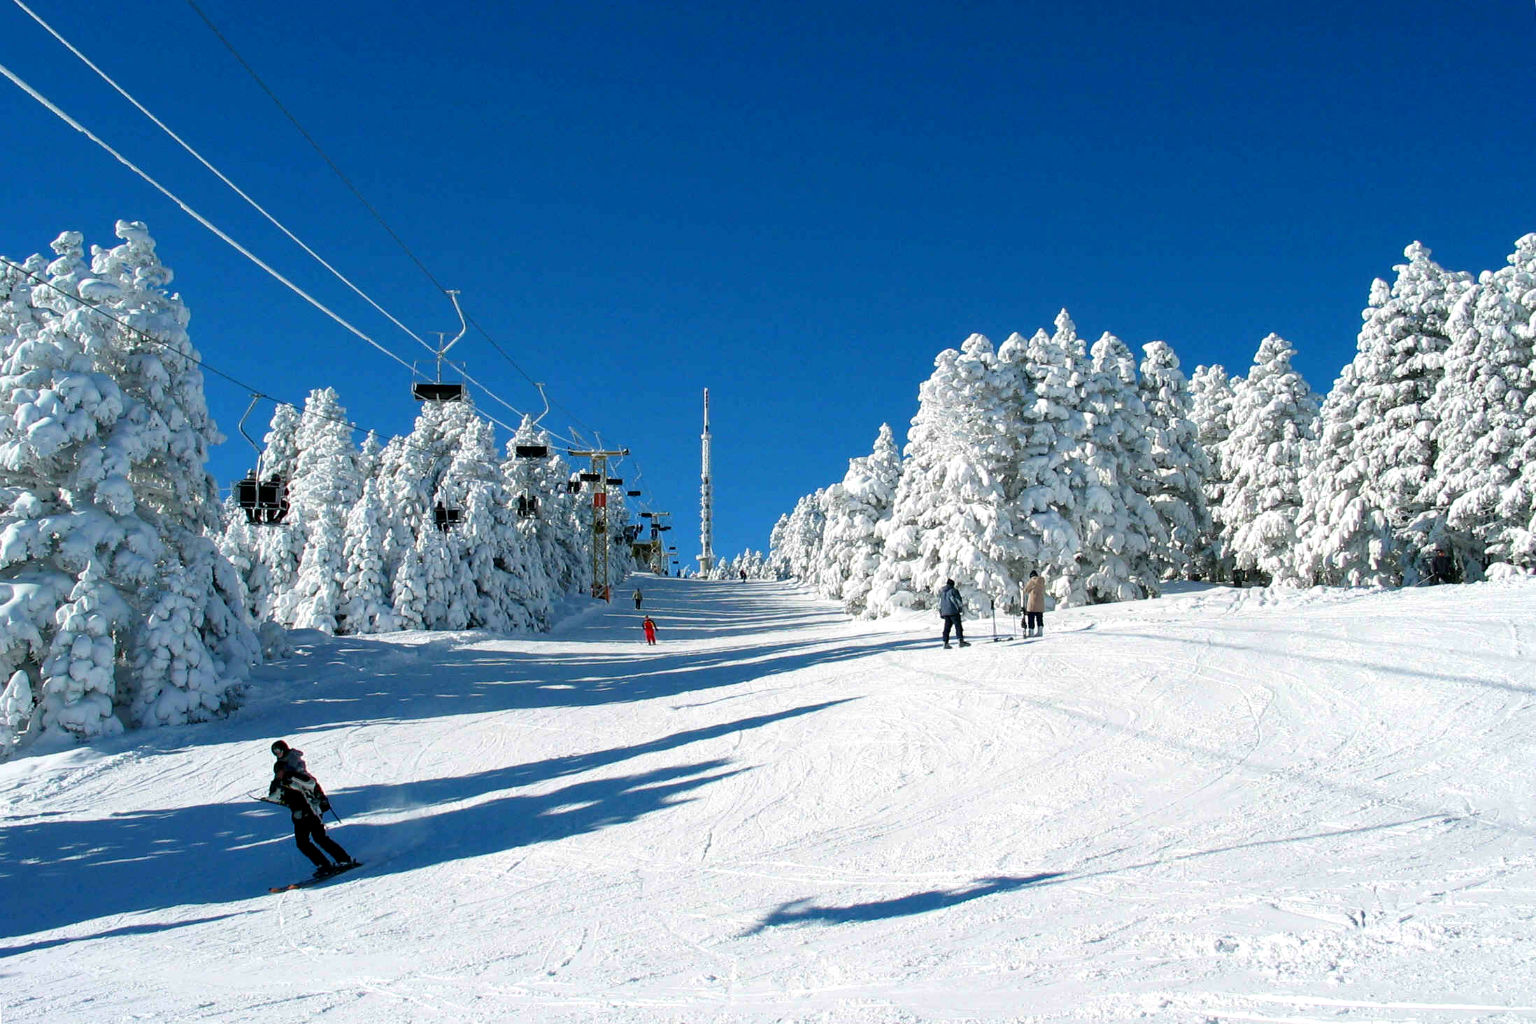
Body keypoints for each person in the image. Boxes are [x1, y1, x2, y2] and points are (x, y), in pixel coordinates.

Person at [267, 742, 354, 878]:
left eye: (279, 751)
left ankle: (343, 860)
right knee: (303, 843)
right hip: (299, 814)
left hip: (310, 810)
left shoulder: (293, 769)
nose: (278, 754)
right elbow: (275, 795)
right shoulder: (281, 778)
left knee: (319, 838)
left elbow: (310, 782)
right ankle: (324, 864)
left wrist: (319, 797)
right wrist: (276, 786)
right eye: (275, 752)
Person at [938, 579, 969, 648]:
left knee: (947, 628)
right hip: (953, 611)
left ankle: (945, 642)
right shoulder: (953, 591)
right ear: (952, 584)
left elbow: (939, 603)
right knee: (958, 626)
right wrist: (960, 608)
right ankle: (960, 641)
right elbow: (958, 601)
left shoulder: (942, 592)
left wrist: (941, 612)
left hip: (945, 612)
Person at [1022, 571, 1046, 638]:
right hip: (1041, 603)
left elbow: (1025, 590)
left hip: (1032, 603)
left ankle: (1031, 632)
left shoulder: (1032, 581)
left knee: (1031, 618)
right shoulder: (1042, 581)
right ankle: (1040, 632)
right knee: (1039, 618)